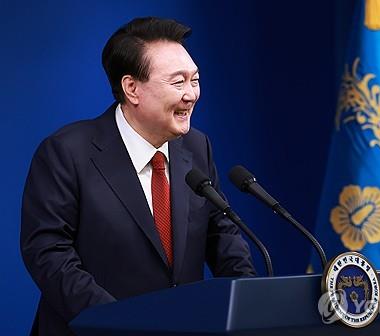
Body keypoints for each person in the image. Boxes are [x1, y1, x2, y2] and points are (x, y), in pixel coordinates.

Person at [20, 17, 256, 335]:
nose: (191, 95)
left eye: (195, 80)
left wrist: (249, 302)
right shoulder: (67, 152)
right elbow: (48, 253)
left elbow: (222, 235)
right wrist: (116, 321)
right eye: (178, 83)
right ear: (132, 88)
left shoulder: (197, 147)